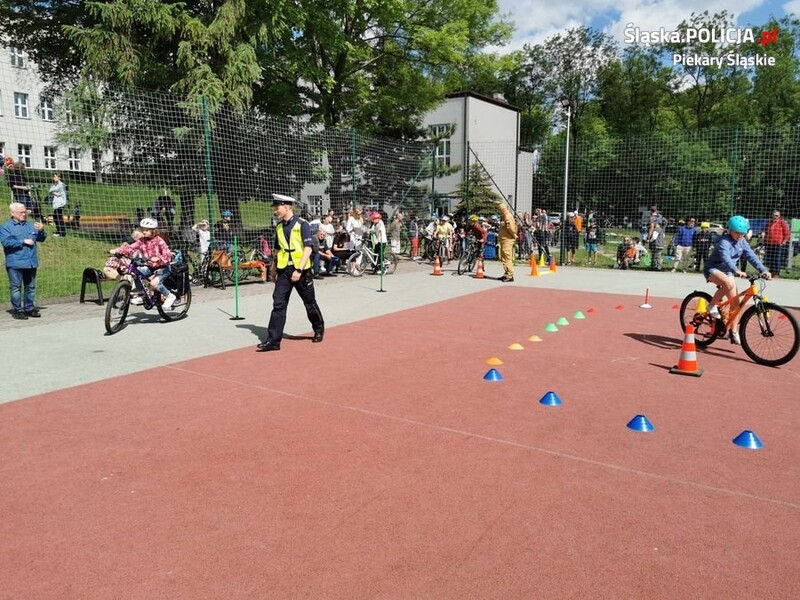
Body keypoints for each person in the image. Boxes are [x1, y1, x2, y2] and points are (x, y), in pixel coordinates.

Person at [257, 194, 324, 352]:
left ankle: (319, 329)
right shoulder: (279, 227)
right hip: (284, 271)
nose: (275, 211)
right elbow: (277, 249)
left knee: (309, 303)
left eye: (277, 207)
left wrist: (299, 269)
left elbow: (308, 248)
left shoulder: (302, 225)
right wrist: (274, 271)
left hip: (301, 270)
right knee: (278, 303)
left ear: (286, 206)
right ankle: (273, 341)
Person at [704, 215, 771, 345]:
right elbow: (726, 258)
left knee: (736, 304)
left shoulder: (742, 241)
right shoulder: (724, 241)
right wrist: (736, 271)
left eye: (743, 233)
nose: (740, 236)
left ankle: (734, 332)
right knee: (729, 283)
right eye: (737, 233)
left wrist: (763, 270)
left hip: (728, 271)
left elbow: (751, 256)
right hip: (713, 269)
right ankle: (711, 305)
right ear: (730, 230)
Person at [114, 218, 176, 309]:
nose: (144, 232)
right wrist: (119, 251)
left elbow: (168, 255)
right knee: (136, 273)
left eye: (146, 230)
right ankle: (141, 294)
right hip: (150, 267)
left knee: (154, 283)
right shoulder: (142, 240)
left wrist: (158, 259)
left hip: (163, 267)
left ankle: (170, 296)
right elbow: (131, 247)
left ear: (153, 231)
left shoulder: (159, 241)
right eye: (143, 229)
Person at [1, 202, 47, 319]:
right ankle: (18, 310)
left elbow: (41, 238)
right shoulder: (6, 227)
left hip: (31, 262)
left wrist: (41, 230)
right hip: (15, 263)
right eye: (20, 212)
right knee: (16, 288)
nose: (24, 214)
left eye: (24, 212)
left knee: (30, 287)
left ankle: (29, 308)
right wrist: (23, 241)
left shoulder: (31, 225)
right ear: (13, 213)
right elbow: (6, 243)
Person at [763, 210, 790, 277]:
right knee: (769, 258)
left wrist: (784, 241)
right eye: (774, 215)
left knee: (777, 258)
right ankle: (771, 272)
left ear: (779, 216)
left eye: (777, 215)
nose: (775, 217)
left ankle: (776, 273)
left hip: (778, 244)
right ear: (772, 215)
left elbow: (787, 233)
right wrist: (764, 240)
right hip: (769, 243)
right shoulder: (769, 223)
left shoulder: (782, 222)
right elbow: (766, 232)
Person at [498, 204, 517, 281]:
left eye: (500, 209)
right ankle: (506, 273)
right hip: (504, 239)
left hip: (507, 239)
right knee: (504, 257)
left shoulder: (507, 216)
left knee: (507, 256)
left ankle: (510, 275)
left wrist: (514, 234)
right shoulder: (505, 216)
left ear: (503, 209)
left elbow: (510, 227)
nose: (500, 211)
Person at [49, 173, 68, 237]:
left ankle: (62, 232)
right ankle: (59, 231)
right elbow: (50, 190)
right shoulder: (55, 185)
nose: (53, 178)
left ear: (59, 178)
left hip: (61, 203)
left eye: (55, 177)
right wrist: (54, 192)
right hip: (56, 204)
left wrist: (53, 191)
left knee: (58, 217)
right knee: (56, 217)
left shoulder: (61, 185)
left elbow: (55, 190)